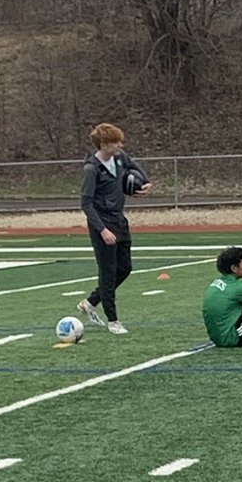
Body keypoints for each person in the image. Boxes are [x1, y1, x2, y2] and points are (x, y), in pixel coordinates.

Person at [77, 122, 152, 334]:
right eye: (116, 142)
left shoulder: (119, 158)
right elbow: (86, 204)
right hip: (103, 224)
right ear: (103, 144)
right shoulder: (91, 169)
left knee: (125, 268)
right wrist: (102, 230)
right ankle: (113, 320)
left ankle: (90, 302)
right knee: (108, 273)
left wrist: (144, 182)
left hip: (119, 220)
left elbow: (134, 167)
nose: (121, 145)